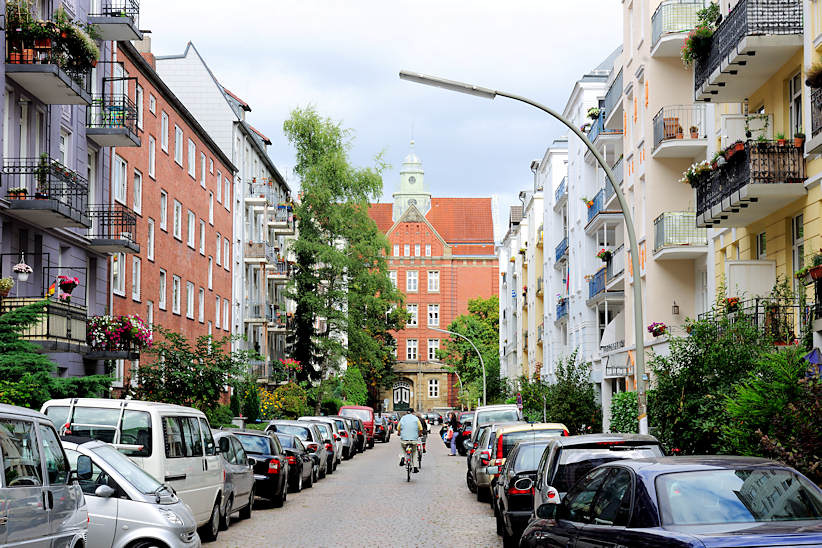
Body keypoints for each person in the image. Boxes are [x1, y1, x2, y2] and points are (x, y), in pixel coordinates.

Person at [397, 408, 423, 473]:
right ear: (413, 412)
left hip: (404, 439)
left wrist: (399, 433)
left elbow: (398, 428)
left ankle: (403, 457)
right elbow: (420, 428)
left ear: (407, 412)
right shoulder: (416, 418)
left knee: (403, 448)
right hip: (414, 439)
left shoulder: (403, 418)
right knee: (414, 452)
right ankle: (414, 467)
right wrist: (419, 434)